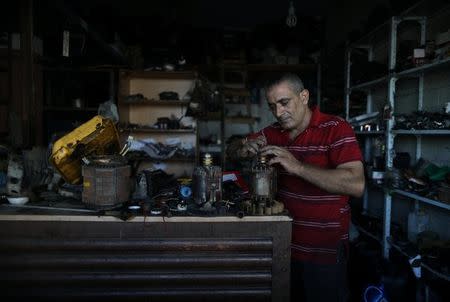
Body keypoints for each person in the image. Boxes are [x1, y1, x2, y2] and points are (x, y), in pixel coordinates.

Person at [226, 73, 365, 302]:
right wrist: (243, 148)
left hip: (322, 252)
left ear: (303, 96)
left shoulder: (336, 128)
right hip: (280, 247)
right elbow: (231, 149)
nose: (279, 113)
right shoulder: (271, 133)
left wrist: (297, 166)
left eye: (284, 103)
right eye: (272, 107)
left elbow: (356, 184)